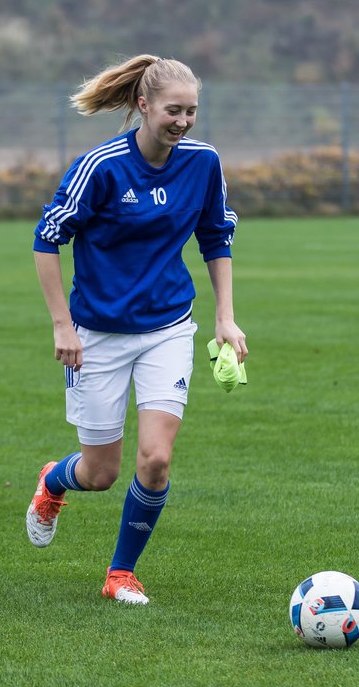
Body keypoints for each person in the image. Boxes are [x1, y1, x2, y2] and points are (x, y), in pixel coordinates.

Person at [24, 55, 247, 605]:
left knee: (156, 459)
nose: (184, 121)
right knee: (99, 473)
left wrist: (225, 317)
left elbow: (216, 238)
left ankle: (120, 573)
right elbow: (46, 239)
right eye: (174, 110)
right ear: (143, 106)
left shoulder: (203, 163)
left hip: (168, 328)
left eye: (192, 111)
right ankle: (54, 482)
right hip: (96, 334)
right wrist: (63, 326)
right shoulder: (100, 167)